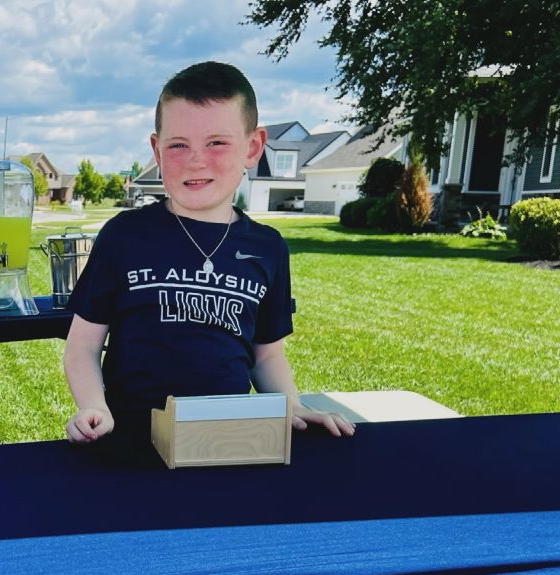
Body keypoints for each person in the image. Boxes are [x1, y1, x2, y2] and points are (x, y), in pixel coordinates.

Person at [61, 61, 354, 455]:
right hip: (128, 441)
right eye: (179, 145)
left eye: (217, 143)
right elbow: (82, 346)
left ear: (253, 147)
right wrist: (93, 406)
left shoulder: (268, 247)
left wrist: (292, 406)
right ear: (157, 150)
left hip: (227, 442)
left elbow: (266, 354)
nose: (196, 160)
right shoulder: (125, 235)